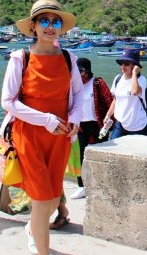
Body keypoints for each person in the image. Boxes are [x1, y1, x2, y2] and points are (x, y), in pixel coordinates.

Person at [1, 0, 83, 255]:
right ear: (33, 26)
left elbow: (78, 94)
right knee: (41, 199)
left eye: (56, 22)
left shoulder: (69, 58)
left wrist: (75, 119)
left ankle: (33, 229)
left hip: (60, 136)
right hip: (29, 135)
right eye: (44, 21)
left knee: (53, 198)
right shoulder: (20, 58)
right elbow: (8, 101)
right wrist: (46, 120)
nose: (50, 26)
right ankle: (42, 249)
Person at [51, 57, 113, 223]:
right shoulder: (73, 86)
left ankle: (102, 184)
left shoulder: (97, 83)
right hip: (80, 125)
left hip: (97, 124)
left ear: (87, 71)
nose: (79, 75)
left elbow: (109, 102)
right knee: (80, 157)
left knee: (101, 155)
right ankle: (82, 186)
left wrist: (110, 122)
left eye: (81, 72)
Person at [104, 49, 147, 139]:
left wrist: (134, 73)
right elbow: (116, 99)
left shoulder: (141, 80)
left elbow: (135, 92)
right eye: (121, 63)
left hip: (137, 126)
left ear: (134, 65)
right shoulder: (118, 78)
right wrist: (108, 115)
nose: (123, 66)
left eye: (127, 63)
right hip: (120, 123)